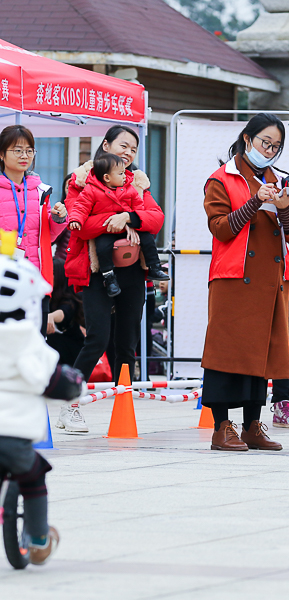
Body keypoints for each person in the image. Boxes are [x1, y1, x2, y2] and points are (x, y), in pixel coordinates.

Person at [201, 113, 289, 451]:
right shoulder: (221, 179)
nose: (269, 150)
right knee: (226, 353)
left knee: (261, 356)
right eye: (265, 143)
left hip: (271, 279)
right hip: (234, 278)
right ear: (247, 138)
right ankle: (221, 427)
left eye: (275, 146)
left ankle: (251, 426)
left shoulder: (281, 179)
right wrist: (256, 201)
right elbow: (221, 228)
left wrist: (285, 208)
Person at [62, 125, 163, 433]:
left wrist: (130, 217)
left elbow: (155, 219)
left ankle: (123, 406)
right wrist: (115, 222)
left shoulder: (138, 183)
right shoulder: (81, 181)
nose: (128, 153)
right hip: (96, 270)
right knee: (96, 337)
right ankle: (70, 405)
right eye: (123, 145)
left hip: (132, 270)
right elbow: (77, 223)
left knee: (127, 343)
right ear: (105, 145)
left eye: (133, 148)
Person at [0, 253, 84, 566]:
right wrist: (73, 384)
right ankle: (37, 537)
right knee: (34, 476)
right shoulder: (28, 343)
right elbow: (53, 381)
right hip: (15, 439)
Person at [67, 153, 168, 297]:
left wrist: (133, 221)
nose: (125, 176)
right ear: (107, 178)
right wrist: (76, 220)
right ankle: (109, 278)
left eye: (124, 172)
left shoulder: (129, 188)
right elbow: (81, 207)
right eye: (121, 173)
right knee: (102, 248)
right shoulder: (91, 190)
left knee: (147, 238)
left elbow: (139, 207)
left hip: (127, 228)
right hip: (106, 231)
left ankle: (154, 266)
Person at [0, 125, 68, 335]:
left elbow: (48, 237)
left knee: (33, 344)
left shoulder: (40, 191)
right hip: (5, 280)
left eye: (29, 150)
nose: (24, 156)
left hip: (36, 278)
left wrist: (58, 218)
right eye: (17, 150)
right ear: (1, 154)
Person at [45, 259, 85, 366]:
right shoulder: (43, 297)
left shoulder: (70, 299)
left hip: (71, 349)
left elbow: (64, 312)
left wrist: (50, 317)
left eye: (51, 273)